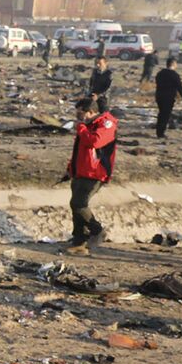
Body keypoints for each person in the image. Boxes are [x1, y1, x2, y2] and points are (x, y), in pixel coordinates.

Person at [61, 96, 117, 254]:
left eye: (80, 114)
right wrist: (70, 168)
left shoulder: (106, 124)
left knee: (79, 204)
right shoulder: (88, 125)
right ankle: (79, 240)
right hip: (81, 171)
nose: (78, 117)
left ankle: (97, 231)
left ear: (90, 112)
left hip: (95, 172)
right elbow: (80, 150)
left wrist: (82, 129)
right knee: (76, 206)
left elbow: (95, 142)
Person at [154, 56, 182, 139]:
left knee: (161, 113)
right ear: (173, 64)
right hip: (168, 97)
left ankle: (159, 131)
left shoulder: (160, 73)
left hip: (159, 96)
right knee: (165, 115)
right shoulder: (174, 75)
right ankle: (161, 133)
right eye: (176, 63)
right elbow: (179, 86)